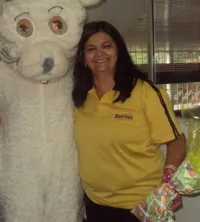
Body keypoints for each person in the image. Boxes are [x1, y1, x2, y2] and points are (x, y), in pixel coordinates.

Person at [72, 21, 186, 222]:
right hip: (94, 203)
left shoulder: (146, 92)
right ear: (83, 58)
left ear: (119, 51)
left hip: (142, 205)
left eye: (106, 46)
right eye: (90, 49)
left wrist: (168, 182)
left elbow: (176, 140)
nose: (99, 54)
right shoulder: (79, 97)